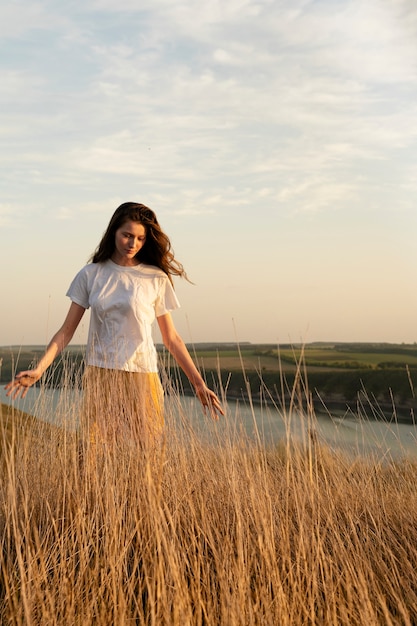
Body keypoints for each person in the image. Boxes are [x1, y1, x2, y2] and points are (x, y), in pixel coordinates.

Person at [5, 202, 223, 448]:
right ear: (113, 233)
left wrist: (199, 384)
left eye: (140, 238)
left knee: (150, 454)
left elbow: (172, 338)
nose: (133, 244)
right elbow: (66, 331)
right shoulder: (91, 274)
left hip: (143, 374)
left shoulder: (155, 278)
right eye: (127, 235)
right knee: (93, 455)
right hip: (101, 373)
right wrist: (40, 370)